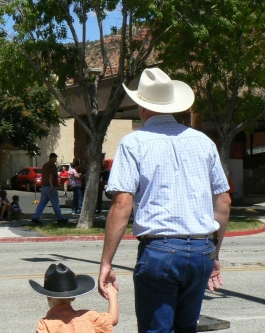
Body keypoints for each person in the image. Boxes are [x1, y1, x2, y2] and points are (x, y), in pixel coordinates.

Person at [98, 68, 232, 332]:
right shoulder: (203, 142)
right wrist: (215, 253)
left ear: (142, 106)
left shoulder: (134, 143)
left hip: (160, 251)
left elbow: (122, 204)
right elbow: (224, 201)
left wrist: (106, 262)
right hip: (202, 249)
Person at [30, 263, 118, 333]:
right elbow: (113, 319)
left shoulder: (45, 324)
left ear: (48, 297)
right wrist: (112, 294)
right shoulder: (89, 317)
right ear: (74, 297)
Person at [31, 153, 68, 224]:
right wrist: (51, 185)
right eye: (55, 158)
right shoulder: (52, 165)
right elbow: (50, 175)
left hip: (44, 187)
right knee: (55, 203)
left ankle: (35, 217)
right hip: (50, 187)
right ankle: (60, 218)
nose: (56, 159)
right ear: (52, 158)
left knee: (42, 203)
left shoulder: (45, 165)